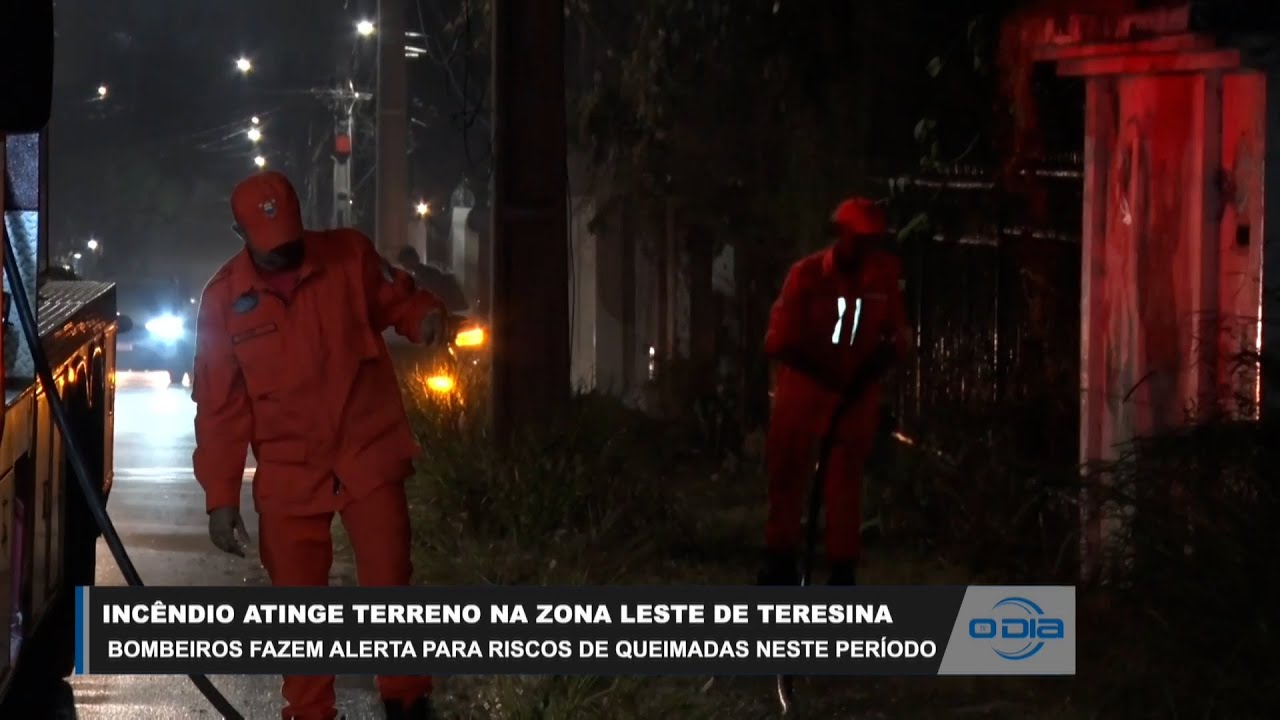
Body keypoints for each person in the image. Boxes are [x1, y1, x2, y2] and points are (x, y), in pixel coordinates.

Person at [191, 170, 445, 720]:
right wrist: (221, 498)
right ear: (240, 234)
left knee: (390, 588)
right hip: (289, 467)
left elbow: (397, 296)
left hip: (366, 447)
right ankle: (310, 714)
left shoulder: (347, 256)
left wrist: (421, 316)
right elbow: (219, 408)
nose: (285, 254)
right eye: (270, 247)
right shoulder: (223, 301)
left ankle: (407, 702)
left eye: (289, 240)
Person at [759, 197, 911, 587]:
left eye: (874, 241)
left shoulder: (882, 276)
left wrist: (866, 374)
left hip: (854, 400)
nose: (868, 250)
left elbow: (897, 337)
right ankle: (780, 563)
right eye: (862, 240)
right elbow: (778, 341)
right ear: (842, 236)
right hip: (802, 396)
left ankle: (842, 570)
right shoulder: (806, 276)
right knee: (788, 477)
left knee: (844, 486)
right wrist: (825, 375)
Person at [396, 245, 469, 314]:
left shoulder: (429, 274)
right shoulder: (417, 275)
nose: (403, 266)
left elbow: (435, 296)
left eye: (404, 262)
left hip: (444, 311)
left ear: (411, 260)